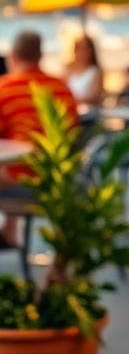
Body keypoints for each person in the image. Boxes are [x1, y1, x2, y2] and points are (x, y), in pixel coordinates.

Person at [0, 30, 79, 247]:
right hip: (60, 179)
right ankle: (9, 232)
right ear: (40, 56)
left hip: (20, 182)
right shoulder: (61, 87)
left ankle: (9, 232)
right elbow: (74, 133)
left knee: (9, 168)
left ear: (12, 56)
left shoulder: (5, 88)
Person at [66, 34, 104, 106]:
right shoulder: (68, 69)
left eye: (85, 49)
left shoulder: (96, 71)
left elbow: (94, 96)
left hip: (89, 111)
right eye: (79, 49)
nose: (82, 52)